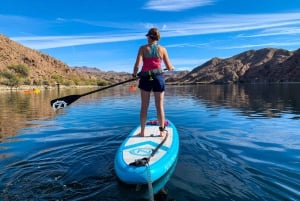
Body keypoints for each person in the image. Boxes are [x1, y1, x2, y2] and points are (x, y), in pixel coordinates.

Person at [132, 28, 174, 137]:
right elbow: (169, 67)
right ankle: (161, 132)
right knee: (159, 106)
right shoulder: (163, 49)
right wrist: (171, 67)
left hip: (145, 78)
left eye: (147, 36)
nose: (146, 38)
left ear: (150, 37)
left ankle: (142, 132)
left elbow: (137, 65)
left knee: (144, 106)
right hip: (158, 78)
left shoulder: (142, 48)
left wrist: (134, 74)